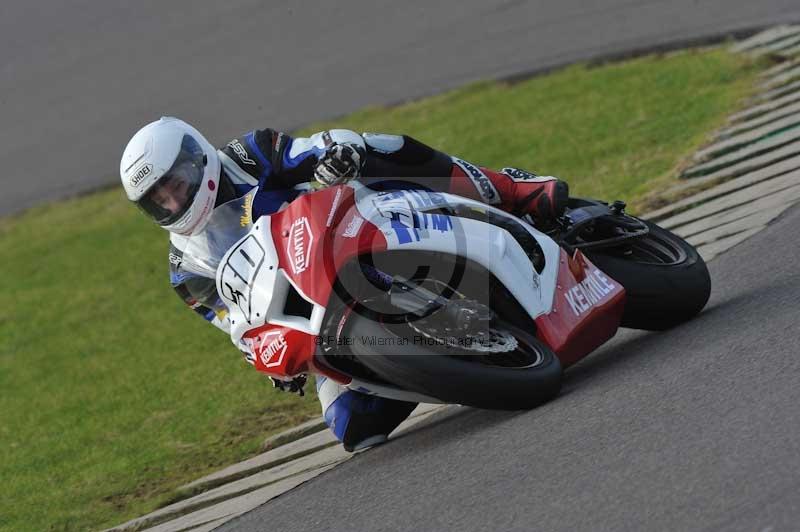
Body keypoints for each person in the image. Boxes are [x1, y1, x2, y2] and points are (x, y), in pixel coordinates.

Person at [119, 116, 568, 452]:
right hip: (315, 314)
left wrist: (337, 152)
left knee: (380, 148)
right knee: (354, 427)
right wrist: (270, 361)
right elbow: (238, 326)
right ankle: (449, 362)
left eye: (175, 184)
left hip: (356, 227)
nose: (173, 200)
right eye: (158, 200)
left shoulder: (247, 155)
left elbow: (313, 148)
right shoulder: (186, 273)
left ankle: (510, 188)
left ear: (196, 158)